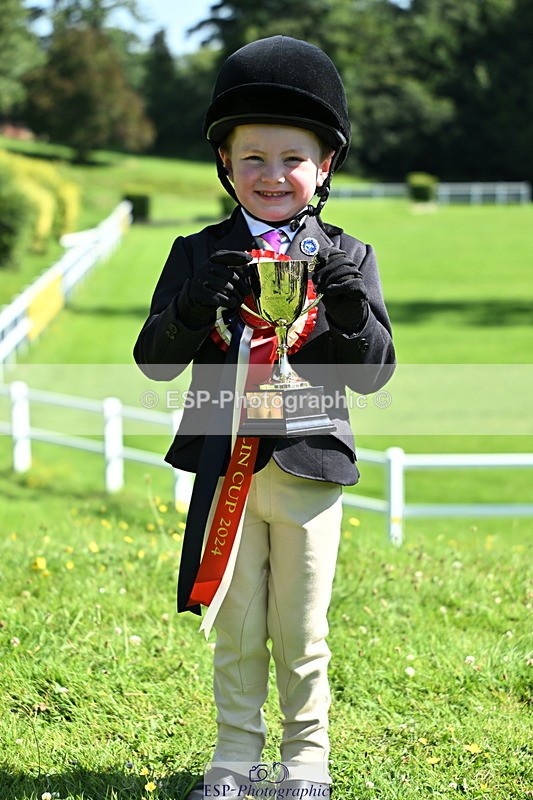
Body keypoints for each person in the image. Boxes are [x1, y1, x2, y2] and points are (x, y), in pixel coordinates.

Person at [134, 35, 395, 799]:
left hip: (310, 465)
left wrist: (347, 314)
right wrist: (187, 309)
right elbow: (155, 359)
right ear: (225, 165)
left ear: (324, 168)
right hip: (223, 467)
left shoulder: (349, 253)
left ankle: (305, 763)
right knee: (236, 625)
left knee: (301, 632)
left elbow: (375, 374)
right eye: (252, 157)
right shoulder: (197, 250)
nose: (272, 174)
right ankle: (234, 759)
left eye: (291, 157)